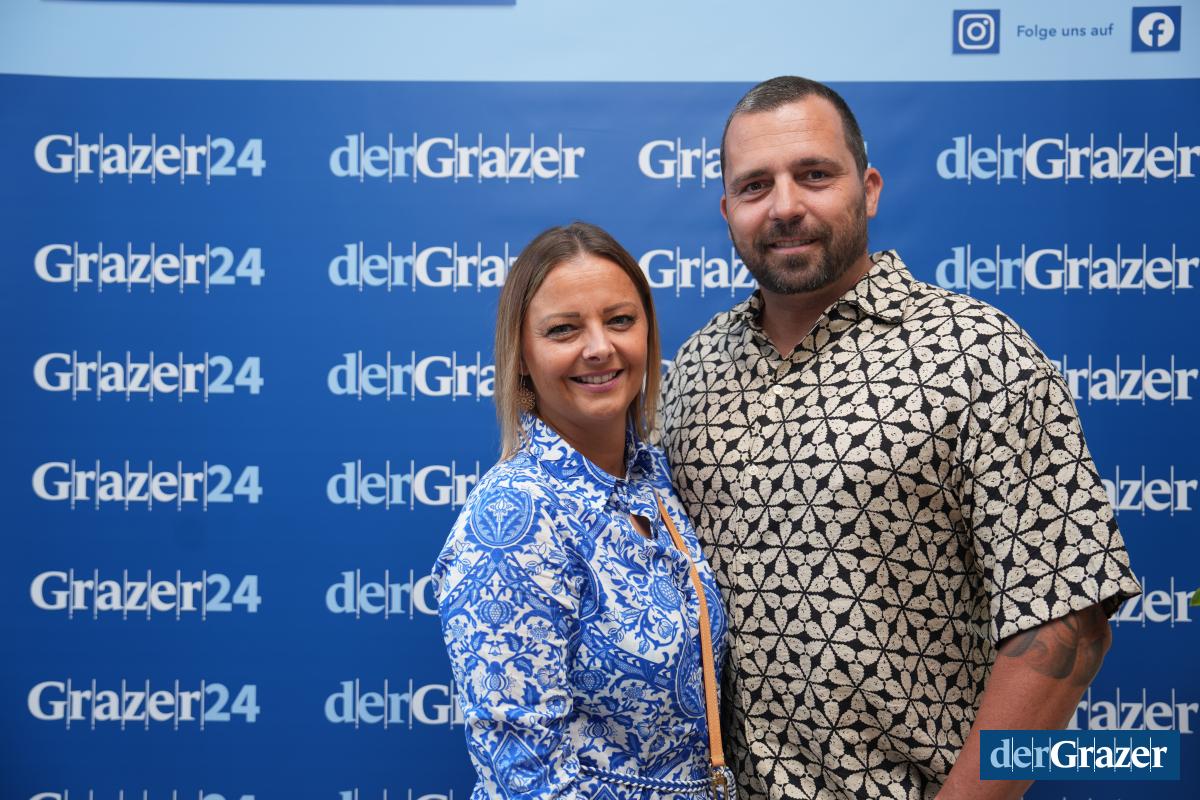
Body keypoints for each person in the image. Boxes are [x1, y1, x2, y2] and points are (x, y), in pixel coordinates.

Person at [658, 76, 1141, 800]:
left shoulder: (979, 355)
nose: (784, 206)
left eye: (814, 175)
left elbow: (1070, 621)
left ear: (870, 188)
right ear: (728, 211)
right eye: (755, 186)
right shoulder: (695, 369)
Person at [433, 222, 735, 799]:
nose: (599, 347)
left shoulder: (654, 479)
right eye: (564, 329)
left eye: (619, 320)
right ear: (522, 356)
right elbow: (524, 776)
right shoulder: (514, 518)